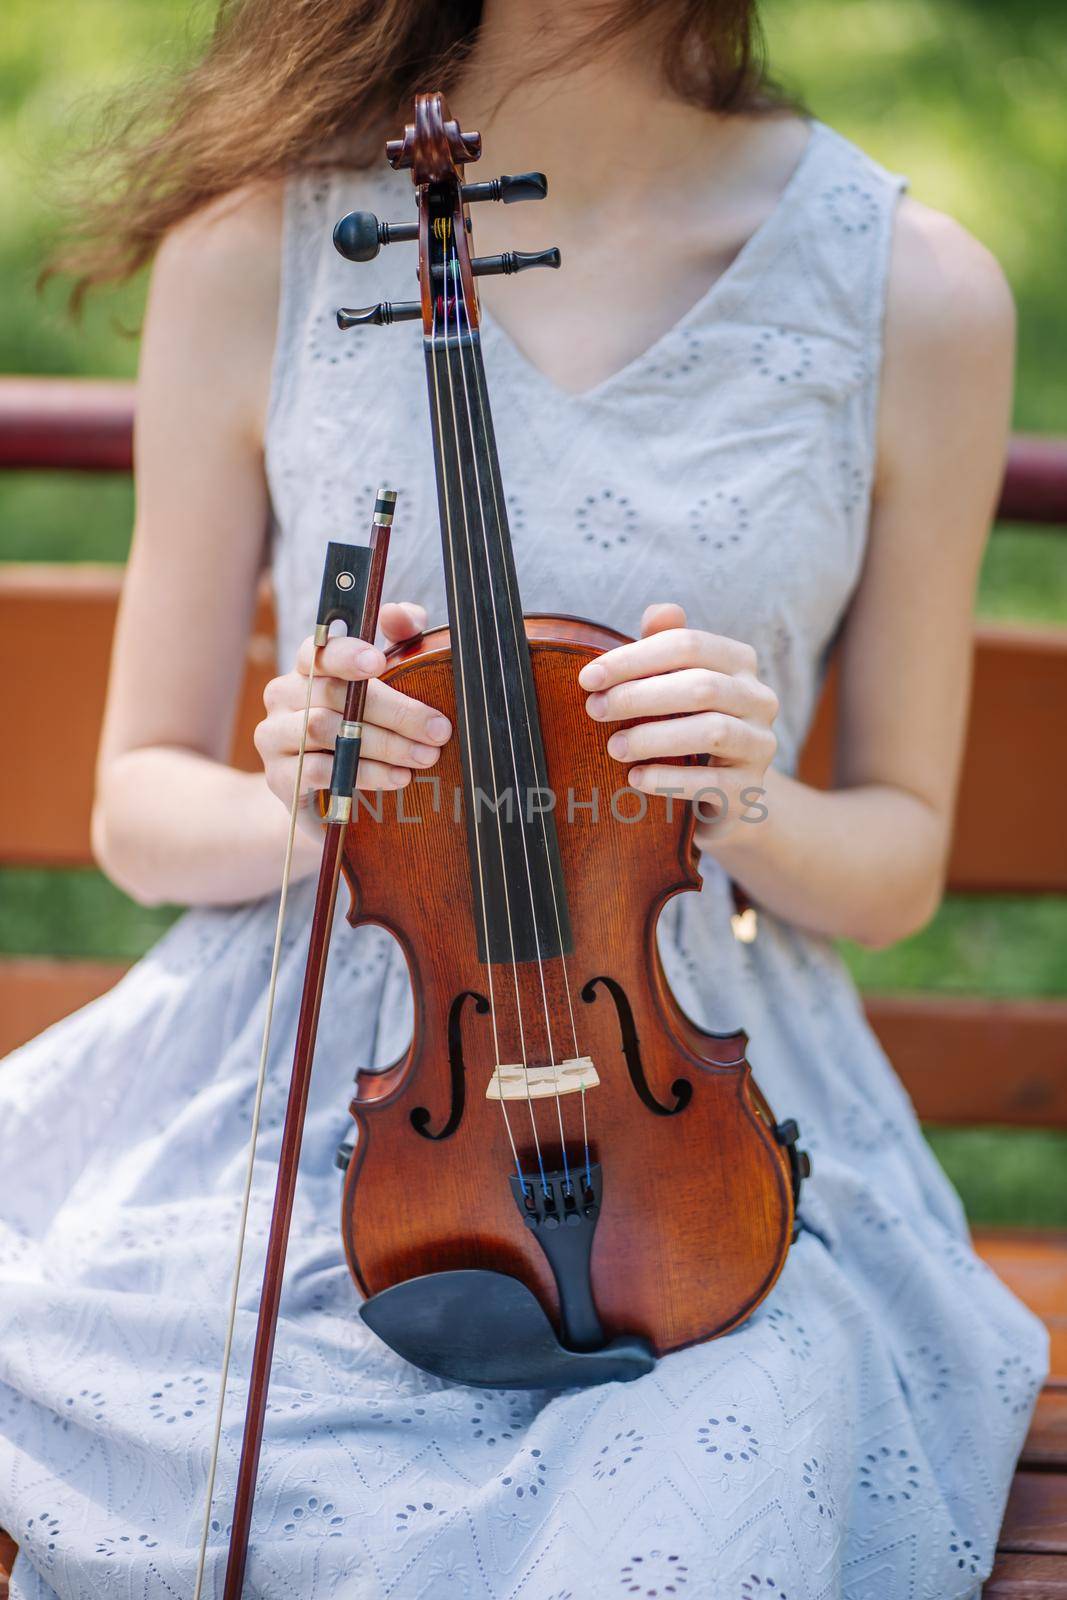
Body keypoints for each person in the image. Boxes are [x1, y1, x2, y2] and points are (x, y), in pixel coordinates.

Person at [0, 1, 1047, 1595]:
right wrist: (309, 798)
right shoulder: (252, 250)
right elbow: (137, 806)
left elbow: (897, 860)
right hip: (286, 1099)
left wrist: (740, 793)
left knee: (701, 1480)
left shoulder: (917, 294)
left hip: (694, 1145)